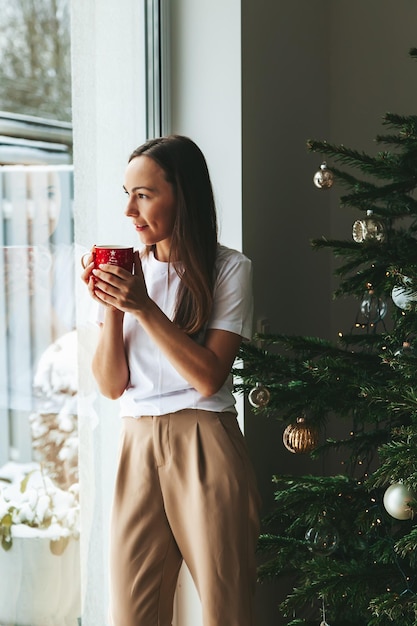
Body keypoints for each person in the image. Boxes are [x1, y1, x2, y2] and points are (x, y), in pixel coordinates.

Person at [81, 135, 261, 626]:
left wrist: (142, 304)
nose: (129, 210)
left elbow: (207, 377)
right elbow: (110, 385)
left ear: (182, 195)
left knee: (226, 610)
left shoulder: (229, 269)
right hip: (136, 443)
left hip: (204, 440)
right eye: (126, 193)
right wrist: (113, 307)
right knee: (131, 613)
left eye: (143, 194)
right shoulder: (129, 273)